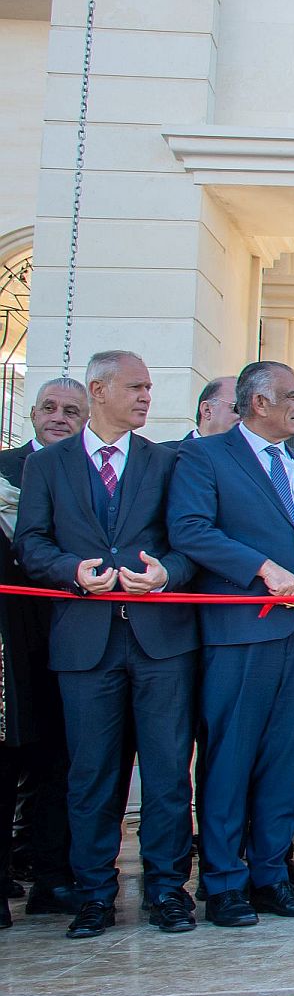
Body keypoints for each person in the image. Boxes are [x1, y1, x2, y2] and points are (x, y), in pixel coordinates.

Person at [14, 352, 197, 937]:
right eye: (137, 387)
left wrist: (165, 573)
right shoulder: (49, 467)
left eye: (150, 386)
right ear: (100, 389)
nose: (148, 396)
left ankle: (168, 890)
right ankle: (94, 893)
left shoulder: (167, 462)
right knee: (91, 775)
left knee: (169, 772)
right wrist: (73, 571)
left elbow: (189, 542)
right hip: (84, 643)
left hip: (160, 642)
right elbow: (32, 543)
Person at [168, 361, 294, 928]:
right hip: (242, 632)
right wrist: (261, 568)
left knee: (285, 759)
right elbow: (191, 529)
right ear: (258, 402)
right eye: (292, 396)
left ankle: (271, 876)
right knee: (230, 758)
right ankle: (223, 883)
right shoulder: (205, 456)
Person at [0, 376, 86, 926]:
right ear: (33, 413)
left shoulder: (91, 470)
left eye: (71, 410)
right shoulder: (5, 470)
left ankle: (51, 876)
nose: (59, 416)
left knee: (62, 756)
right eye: (50, 407)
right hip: (10, 638)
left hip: (72, 632)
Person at [183, 376, 238, 441]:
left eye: (252, 411)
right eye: (238, 408)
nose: (248, 417)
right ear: (207, 410)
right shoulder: (172, 450)